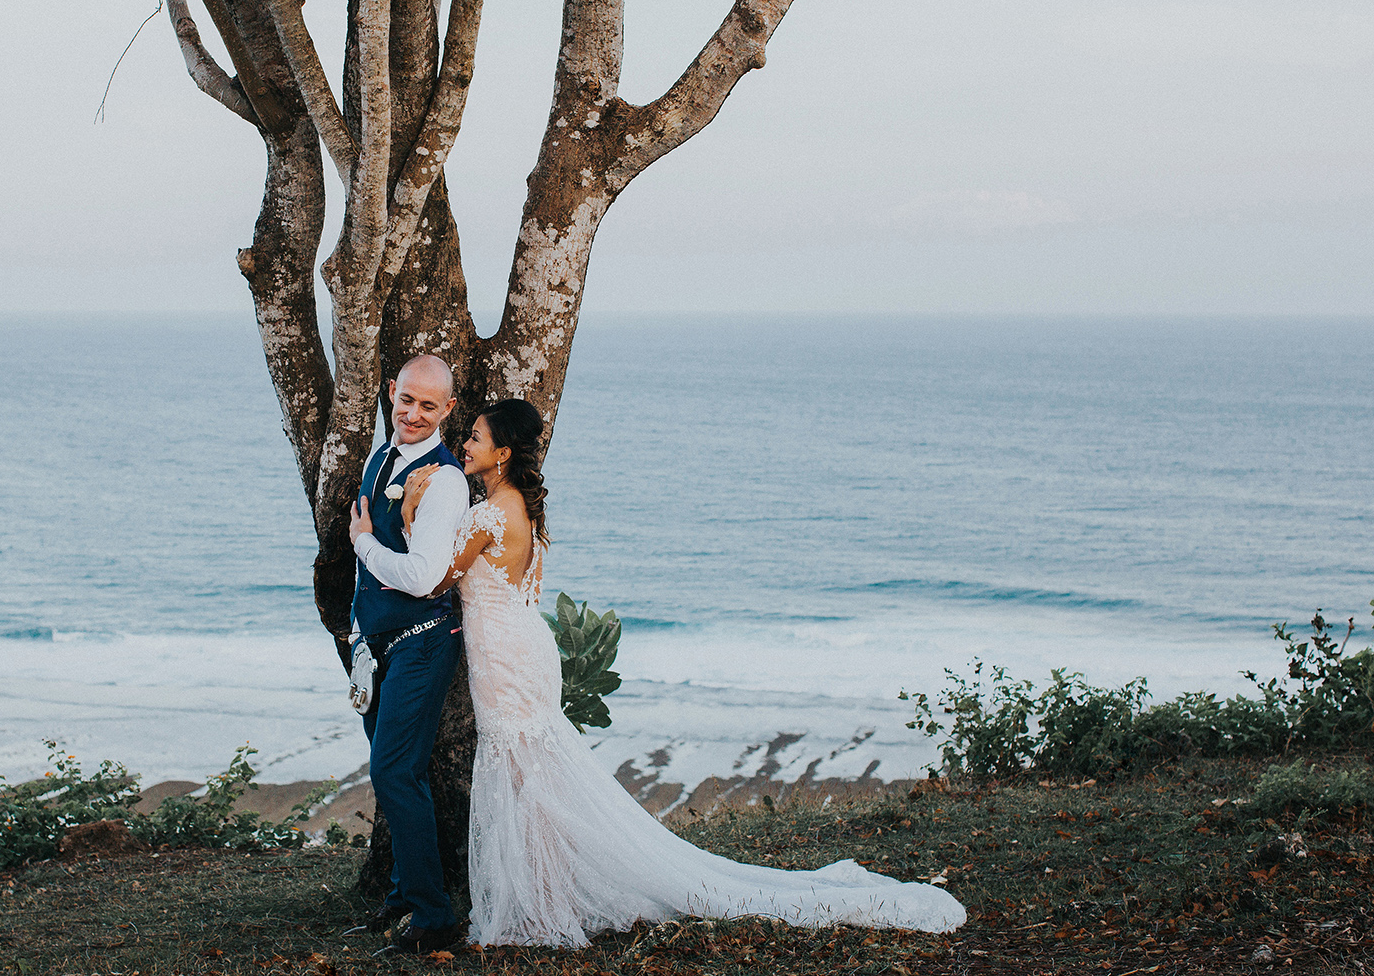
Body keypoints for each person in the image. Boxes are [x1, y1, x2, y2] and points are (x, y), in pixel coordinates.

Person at [397, 397, 968, 949]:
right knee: (532, 781)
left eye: (475, 437)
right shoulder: (520, 508)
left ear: (502, 453)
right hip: (524, 649)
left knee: (524, 779)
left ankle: (542, 905)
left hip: (505, 659)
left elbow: (435, 579)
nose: (465, 444)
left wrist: (405, 516)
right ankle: (545, 899)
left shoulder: (489, 515)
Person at [344, 355, 471, 954]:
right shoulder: (380, 456)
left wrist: (363, 544)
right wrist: (359, 634)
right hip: (378, 645)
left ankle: (433, 916)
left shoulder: (445, 481)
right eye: (406, 400)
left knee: (395, 772)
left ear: (448, 409)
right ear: (391, 392)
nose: (414, 414)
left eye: (429, 406)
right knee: (392, 773)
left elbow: (422, 578)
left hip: (422, 642)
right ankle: (400, 897)